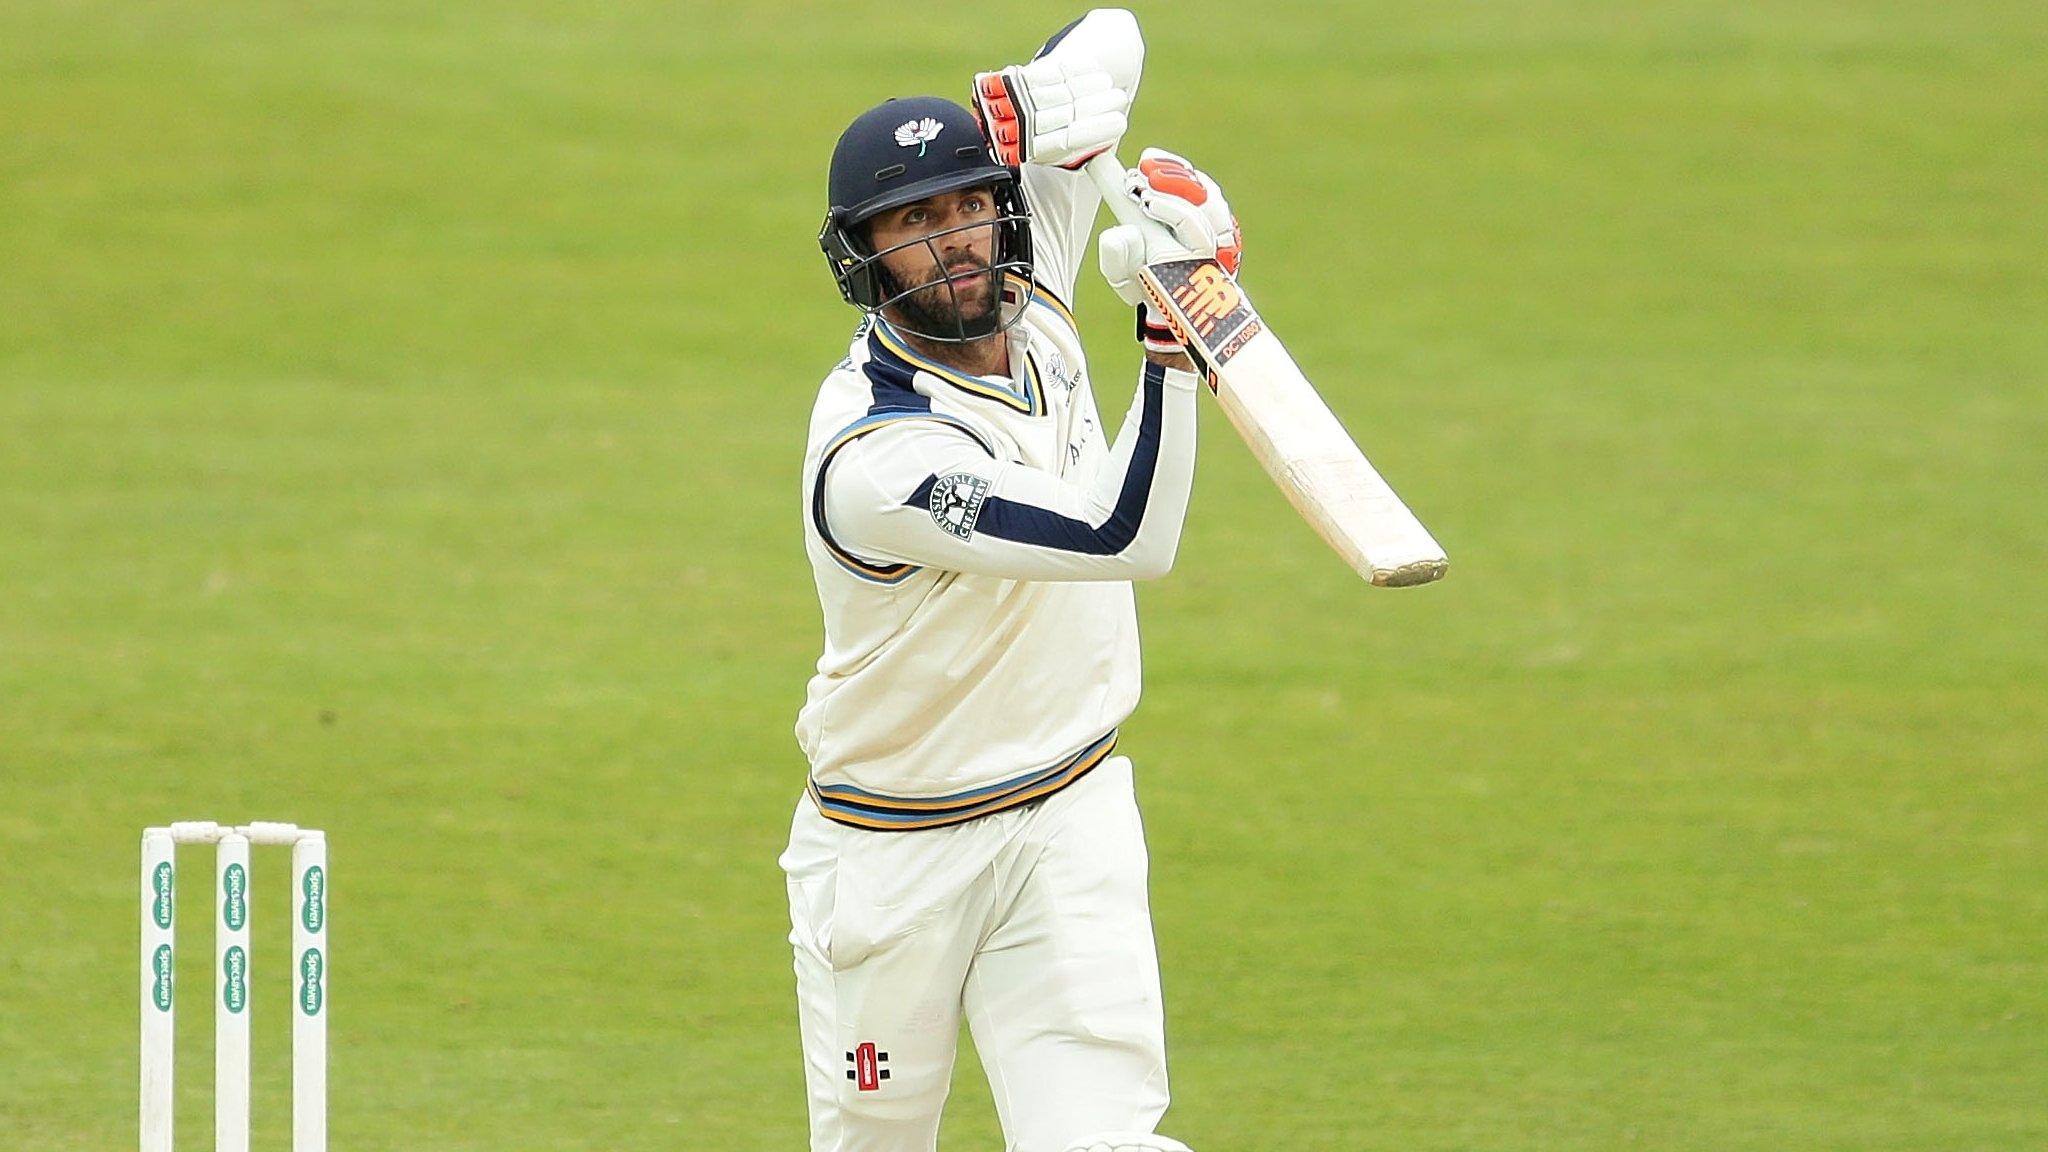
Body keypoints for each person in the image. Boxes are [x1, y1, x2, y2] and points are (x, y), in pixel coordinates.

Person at [782, 10, 1242, 1151]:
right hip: (891, 861)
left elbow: (1114, 35)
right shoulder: (878, 462)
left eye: (967, 206)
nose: (953, 241)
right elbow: (1121, 537)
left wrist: (1033, 109)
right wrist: (1172, 333)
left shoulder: (1023, 272)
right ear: (863, 260)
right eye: (912, 224)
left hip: (1068, 821)